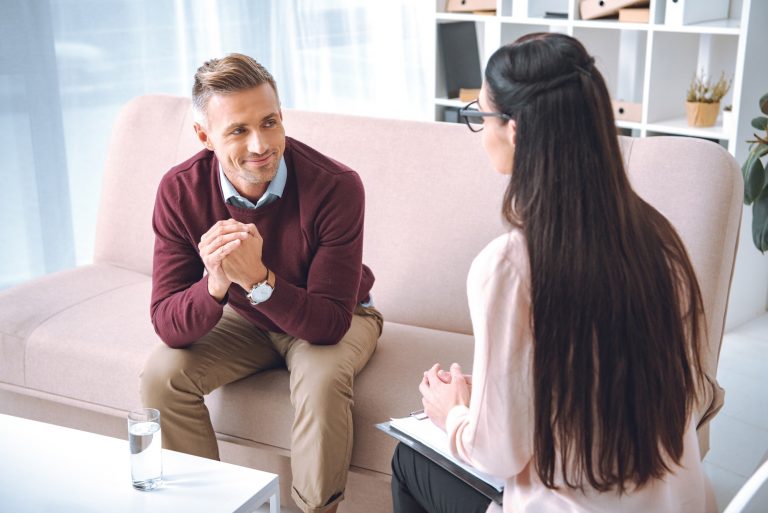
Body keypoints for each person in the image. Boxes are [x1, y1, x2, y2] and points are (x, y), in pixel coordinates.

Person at [390, 33, 718, 513]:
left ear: (516, 130)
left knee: (408, 459)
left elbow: (498, 453)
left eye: (481, 117)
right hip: (678, 503)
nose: (481, 134)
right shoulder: (659, 239)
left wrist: (455, 413)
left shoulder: (509, 267)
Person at [140, 53, 383, 513]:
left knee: (322, 379)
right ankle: (214, 505)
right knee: (161, 376)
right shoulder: (179, 190)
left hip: (337, 313)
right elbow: (168, 323)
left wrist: (256, 277)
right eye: (238, 130)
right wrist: (214, 283)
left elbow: (329, 323)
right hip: (247, 318)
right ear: (204, 136)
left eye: (270, 122)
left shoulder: (336, 186)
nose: (261, 144)